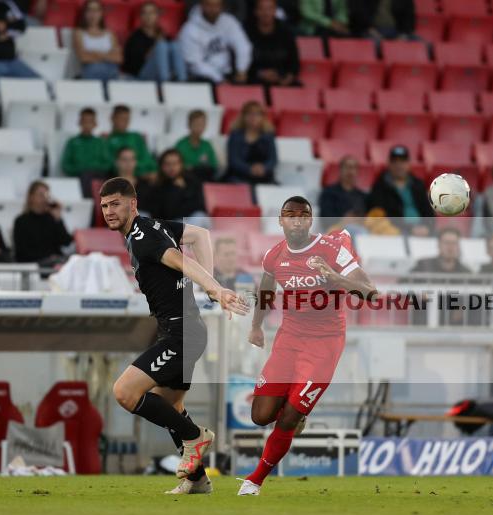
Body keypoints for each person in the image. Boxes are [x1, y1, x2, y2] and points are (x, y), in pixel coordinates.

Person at [99, 176, 247, 495]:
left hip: (181, 333)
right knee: (171, 405)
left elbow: (181, 260)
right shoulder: (153, 226)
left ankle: (196, 437)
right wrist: (211, 284)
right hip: (183, 328)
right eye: (104, 206)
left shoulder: (142, 237)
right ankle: (196, 479)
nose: (109, 211)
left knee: (125, 392)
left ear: (132, 203)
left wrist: (214, 288)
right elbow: (199, 234)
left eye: (115, 204)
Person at [239, 196, 376, 496]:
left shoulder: (331, 250)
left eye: (303, 215)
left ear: (310, 220)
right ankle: (296, 411)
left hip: (325, 343)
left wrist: (335, 277)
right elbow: (265, 288)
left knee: (287, 417)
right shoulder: (274, 255)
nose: (297, 220)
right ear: (281, 220)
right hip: (289, 338)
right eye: (290, 215)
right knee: (260, 415)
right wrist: (256, 326)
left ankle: (255, 479)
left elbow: (370, 292)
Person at [178, 0, 252, 84]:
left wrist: (241, 69)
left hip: (227, 74)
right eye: (209, 5)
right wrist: (219, 79)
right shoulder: (189, 30)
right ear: (201, 5)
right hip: (202, 78)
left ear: (222, 6)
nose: (213, 9)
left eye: (217, 5)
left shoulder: (229, 21)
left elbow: (243, 46)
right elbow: (195, 64)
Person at [366, 145, 433, 236]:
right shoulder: (380, 187)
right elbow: (381, 215)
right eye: (395, 162)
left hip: (423, 230)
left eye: (402, 161)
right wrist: (410, 229)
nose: (399, 165)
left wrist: (427, 227)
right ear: (389, 164)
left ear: (408, 164)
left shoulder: (418, 184)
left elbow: (428, 212)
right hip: (396, 232)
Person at [123, 2, 187, 83]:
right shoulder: (135, 38)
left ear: (158, 15)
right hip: (141, 76)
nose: (148, 16)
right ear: (140, 16)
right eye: (144, 13)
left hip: (167, 71)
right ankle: (165, 83)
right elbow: (134, 65)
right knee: (161, 46)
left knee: (175, 45)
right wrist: (157, 46)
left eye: (152, 13)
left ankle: (182, 81)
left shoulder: (164, 35)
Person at [12, 180, 73, 266]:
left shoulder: (51, 218)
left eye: (46, 195)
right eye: (41, 195)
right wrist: (48, 257)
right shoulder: (21, 221)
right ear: (31, 197)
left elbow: (66, 242)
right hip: (35, 263)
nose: (44, 199)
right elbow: (22, 252)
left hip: (56, 261)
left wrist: (58, 219)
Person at [246, 0, 300, 87]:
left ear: (275, 10)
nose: (266, 13)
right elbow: (242, 64)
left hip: (282, 81)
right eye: (262, 9)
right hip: (254, 81)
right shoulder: (246, 32)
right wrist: (260, 73)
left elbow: (294, 64)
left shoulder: (286, 32)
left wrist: (288, 78)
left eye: (269, 8)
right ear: (255, 11)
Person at [61, 108, 113, 197]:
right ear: (79, 122)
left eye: (90, 121)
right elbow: (66, 165)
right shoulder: (73, 142)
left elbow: (108, 164)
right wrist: (82, 169)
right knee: (86, 176)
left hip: (98, 176)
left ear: (95, 123)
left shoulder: (100, 142)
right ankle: (89, 204)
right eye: (85, 121)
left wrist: (91, 168)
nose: (87, 124)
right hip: (80, 176)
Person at [144, 149, 206, 221]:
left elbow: (199, 206)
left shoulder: (191, 181)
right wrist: (176, 190)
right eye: (167, 164)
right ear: (161, 166)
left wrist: (184, 190)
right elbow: (165, 213)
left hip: (193, 220)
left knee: (200, 216)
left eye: (175, 163)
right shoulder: (157, 186)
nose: (172, 167)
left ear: (181, 165)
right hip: (172, 224)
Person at [225, 100, 277, 185]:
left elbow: (273, 159)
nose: (253, 117)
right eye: (250, 114)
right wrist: (249, 169)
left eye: (257, 114)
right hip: (239, 177)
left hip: (264, 177)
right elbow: (234, 160)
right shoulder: (235, 135)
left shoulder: (268, 136)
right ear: (243, 116)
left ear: (262, 117)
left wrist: (264, 168)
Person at [73, 0, 122, 83]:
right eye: (89, 10)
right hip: (91, 70)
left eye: (96, 10)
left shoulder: (110, 33)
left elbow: (118, 58)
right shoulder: (79, 33)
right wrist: (107, 56)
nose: (93, 14)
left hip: (111, 70)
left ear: (101, 13)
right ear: (84, 13)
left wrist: (95, 53)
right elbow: (84, 57)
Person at [105, 105, 156, 179]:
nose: (125, 122)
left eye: (127, 119)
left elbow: (147, 160)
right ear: (112, 118)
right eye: (121, 119)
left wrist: (151, 171)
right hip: (119, 178)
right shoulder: (107, 140)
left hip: (143, 177)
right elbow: (111, 165)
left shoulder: (136, 137)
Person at [319, 155, 367, 232]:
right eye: (347, 167)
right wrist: (344, 220)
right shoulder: (329, 193)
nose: (350, 171)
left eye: (354, 168)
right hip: (337, 231)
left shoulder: (362, 196)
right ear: (340, 170)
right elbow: (325, 219)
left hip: (360, 228)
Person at [174, 110, 218, 181]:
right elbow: (177, 166)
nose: (199, 127)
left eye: (202, 124)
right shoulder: (181, 144)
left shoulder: (207, 145)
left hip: (204, 178)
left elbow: (213, 165)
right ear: (189, 125)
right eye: (196, 124)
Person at [349, 0, 416, 40]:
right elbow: (358, 14)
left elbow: (409, 19)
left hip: (396, 32)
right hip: (371, 31)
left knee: (421, 45)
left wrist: (403, 35)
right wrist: (369, 29)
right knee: (375, 45)